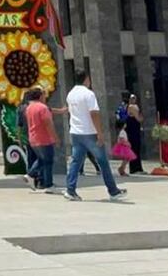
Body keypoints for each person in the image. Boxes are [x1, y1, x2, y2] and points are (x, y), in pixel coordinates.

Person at [63, 71, 127, 202]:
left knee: (76, 161)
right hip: (89, 132)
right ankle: (113, 191)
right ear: (86, 79)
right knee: (102, 161)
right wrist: (99, 132)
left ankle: (70, 189)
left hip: (75, 132)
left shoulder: (71, 94)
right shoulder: (89, 94)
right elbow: (94, 113)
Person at [25, 87, 57, 193]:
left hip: (33, 138)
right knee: (48, 161)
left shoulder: (29, 108)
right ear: (40, 96)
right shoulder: (43, 108)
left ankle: (31, 175)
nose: (45, 97)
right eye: (43, 95)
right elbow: (48, 123)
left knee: (42, 160)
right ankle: (48, 184)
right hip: (44, 138)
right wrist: (55, 137)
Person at [125, 94, 145, 174]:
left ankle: (138, 168)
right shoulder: (131, 107)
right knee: (134, 148)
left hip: (135, 129)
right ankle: (134, 168)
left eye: (134, 98)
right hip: (133, 130)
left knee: (136, 148)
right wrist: (141, 117)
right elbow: (138, 118)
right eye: (132, 98)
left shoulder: (135, 106)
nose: (133, 100)